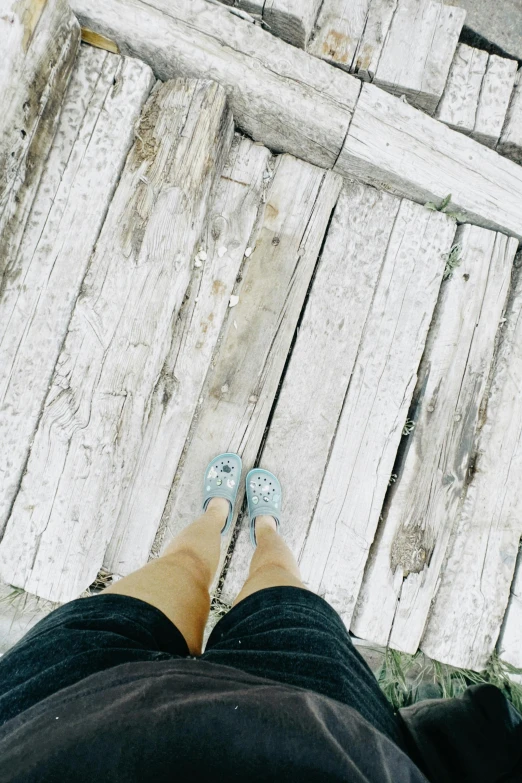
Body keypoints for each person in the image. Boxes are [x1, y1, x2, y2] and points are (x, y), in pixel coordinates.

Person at [0, 453, 520, 782]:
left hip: (51, 714)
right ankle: (260, 525)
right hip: (321, 723)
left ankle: (220, 516)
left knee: (178, 569)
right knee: (277, 582)